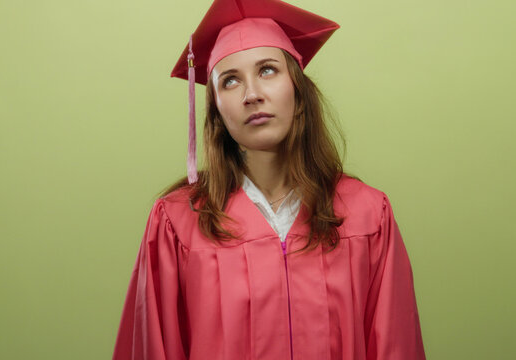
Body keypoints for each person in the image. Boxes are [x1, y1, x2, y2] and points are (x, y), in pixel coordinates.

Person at [111, 0, 426, 359]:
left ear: (299, 93)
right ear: (216, 111)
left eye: (268, 70)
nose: (252, 95)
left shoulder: (368, 215)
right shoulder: (177, 223)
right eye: (230, 81)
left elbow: (395, 347)